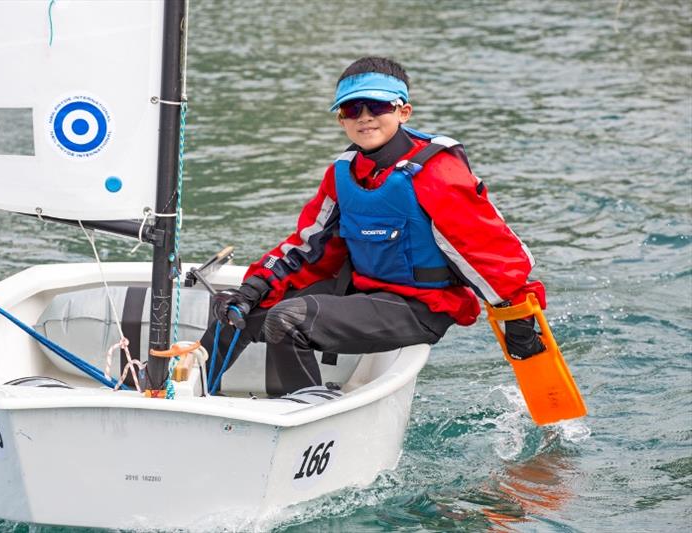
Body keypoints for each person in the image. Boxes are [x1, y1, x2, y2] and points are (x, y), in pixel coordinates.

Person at [201, 56, 546, 396]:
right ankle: (186, 397)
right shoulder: (343, 173)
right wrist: (251, 291)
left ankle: (304, 418)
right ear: (341, 119)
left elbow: (488, 248)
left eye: (377, 107)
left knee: (287, 319)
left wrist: (516, 314)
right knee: (229, 318)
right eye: (351, 110)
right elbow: (308, 246)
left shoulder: (436, 173)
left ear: (403, 111)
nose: (364, 118)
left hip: (421, 308)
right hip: (364, 294)